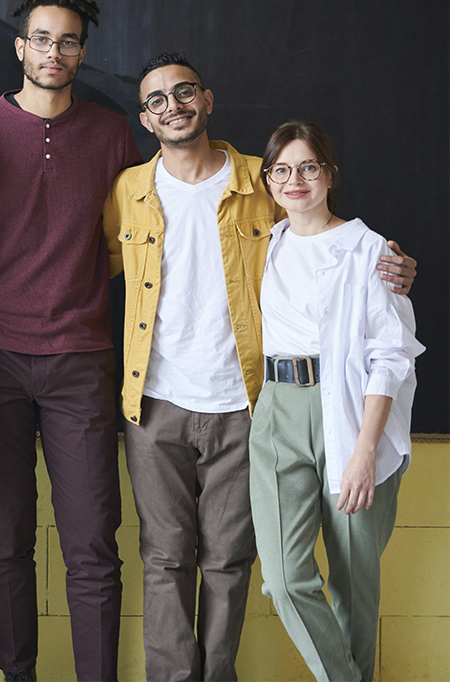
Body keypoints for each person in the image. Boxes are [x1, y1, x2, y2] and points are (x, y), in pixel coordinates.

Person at [102, 56, 416, 682]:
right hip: (156, 399)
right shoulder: (128, 191)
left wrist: (397, 272)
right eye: (157, 100)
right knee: (164, 558)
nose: (173, 106)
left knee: (230, 561)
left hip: (245, 401)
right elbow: (89, 265)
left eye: (184, 92)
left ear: (208, 99)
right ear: (144, 117)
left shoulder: (260, 182)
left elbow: (326, 242)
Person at [0, 0, 138, 682]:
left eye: (66, 41)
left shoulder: (114, 133)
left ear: (81, 53)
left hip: (82, 359)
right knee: (4, 539)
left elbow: (143, 233)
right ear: (19, 45)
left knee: (93, 543)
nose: (52, 51)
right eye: (40, 38)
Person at [249, 121, 422, 682]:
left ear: (330, 175)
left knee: (353, 578)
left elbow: (391, 356)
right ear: (268, 180)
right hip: (277, 409)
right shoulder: (263, 244)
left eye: (308, 167)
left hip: (347, 413)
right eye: (282, 169)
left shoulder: (370, 250)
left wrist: (365, 451)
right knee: (282, 576)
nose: (294, 180)